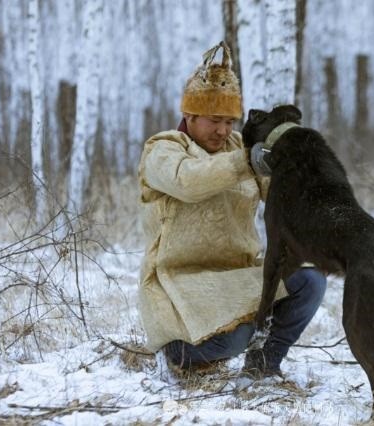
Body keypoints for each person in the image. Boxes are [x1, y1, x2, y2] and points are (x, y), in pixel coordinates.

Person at [137, 41, 326, 379]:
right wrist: (245, 160)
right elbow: (188, 181)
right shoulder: (162, 149)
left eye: (229, 121)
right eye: (214, 120)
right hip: (181, 286)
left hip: (237, 282)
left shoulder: (242, 146)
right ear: (189, 115)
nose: (223, 131)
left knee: (310, 280)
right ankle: (181, 354)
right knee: (239, 335)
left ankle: (263, 365)